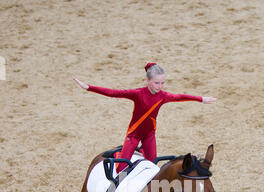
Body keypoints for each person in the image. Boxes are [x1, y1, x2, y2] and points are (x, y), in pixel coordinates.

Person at [73, 63, 216, 172]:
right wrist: (89, 87)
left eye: (162, 83)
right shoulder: (137, 94)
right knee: (120, 169)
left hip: (149, 135)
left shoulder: (164, 96)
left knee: (153, 167)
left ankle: (141, 151)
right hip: (134, 135)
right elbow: (114, 93)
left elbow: (180, 97)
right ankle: (120, 153)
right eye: (156, 83)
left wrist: (201, 99)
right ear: (147, 81)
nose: (160, 86)